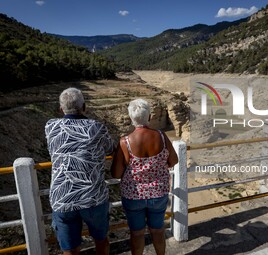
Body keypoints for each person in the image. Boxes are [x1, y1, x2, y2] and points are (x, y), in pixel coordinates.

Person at [45, 87, 115, 255]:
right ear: (84, 107)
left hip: (62, 198)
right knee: (101, 240)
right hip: (93, 197)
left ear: (61, 109)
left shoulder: (50, 126)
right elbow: (111, 148)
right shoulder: (96, 127)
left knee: (69, 249)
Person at [111, 99, 178, 255]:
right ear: (148, 117)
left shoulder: (124, 142)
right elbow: (173, 160)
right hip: (158, 194)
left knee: (137, 233)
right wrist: (157, 165)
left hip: (133, 196)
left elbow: (116, 173)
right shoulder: (161, 137)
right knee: (157, 230)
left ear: (131, 118)